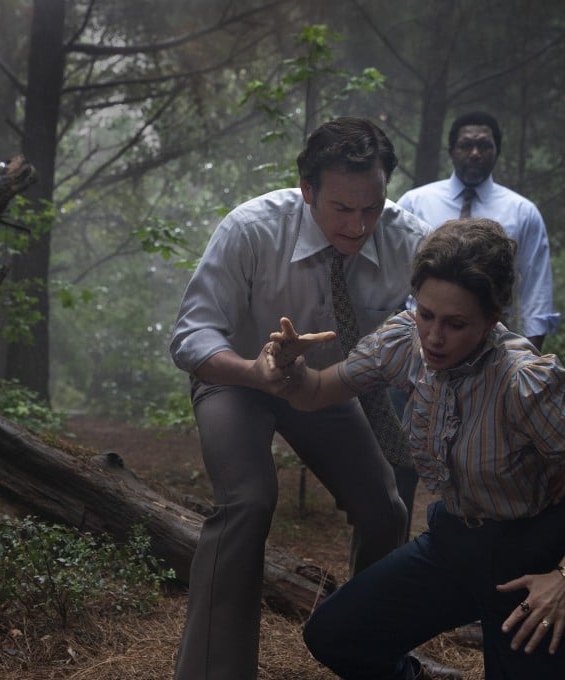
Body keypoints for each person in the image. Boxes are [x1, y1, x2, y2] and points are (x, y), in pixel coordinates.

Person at [259, 218, 565, 679]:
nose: (434, 337)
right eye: (426, 314)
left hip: (535, 558)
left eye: (456, 323)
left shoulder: (523, 382)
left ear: (491, 320)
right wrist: (290, 368)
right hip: (455, 544)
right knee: (336, 635)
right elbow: (315, 391)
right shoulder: (404, 342)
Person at [169, 116, 431, 680]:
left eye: (372, 207)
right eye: (341, 209)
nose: (359, 225)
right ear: (307, 190)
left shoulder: (409, 238)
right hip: (235, 378)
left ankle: (370, 655)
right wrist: (254, 369)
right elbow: (191, 336)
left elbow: (428, 328)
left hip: (324, 384)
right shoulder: (251, 229)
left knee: (385, 509)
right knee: (248, 501)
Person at [397, 111, 559, 351]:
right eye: (466, 145)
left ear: (497, 151)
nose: (475, 153)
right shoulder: (414, 203)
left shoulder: (523, 212)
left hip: (492, 346)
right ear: (451, 151)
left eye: (484, 145)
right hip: (419, 342)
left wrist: (528, 358)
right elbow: (393, 279)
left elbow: (536, 291)